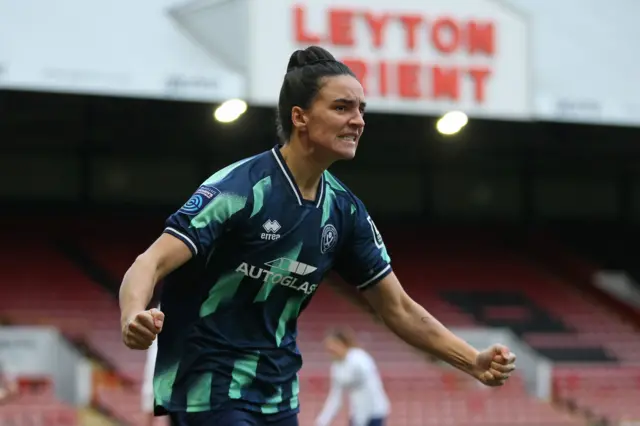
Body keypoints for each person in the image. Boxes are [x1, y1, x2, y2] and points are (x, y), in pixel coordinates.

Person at [119, 45, 517, 426]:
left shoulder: (345, 212)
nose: (358, 120)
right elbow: (148, 263)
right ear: (300, 117)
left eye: (361, 109)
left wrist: (472, 361)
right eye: (342, 107)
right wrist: (132, 315)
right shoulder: (239, 190)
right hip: (208, 384)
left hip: (278, 394)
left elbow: (398, 307)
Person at [315, 328, 389, 426]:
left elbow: (369, 389)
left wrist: (362, 420)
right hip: (357, 413)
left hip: (374, 412)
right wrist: (322, 421)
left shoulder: (360, 359)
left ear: (343, 343)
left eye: (334, 345)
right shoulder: (336, 367)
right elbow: (335, 397)